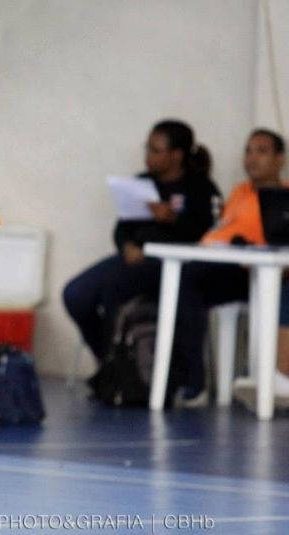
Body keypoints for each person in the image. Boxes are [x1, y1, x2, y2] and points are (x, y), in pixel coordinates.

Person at [63, 120, 220, 363]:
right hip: (132, 257)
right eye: (147, 148)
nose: (148, 156)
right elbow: (122, 228)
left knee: (114, 292)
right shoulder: (141, 183)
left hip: (172, 266)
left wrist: (172, 219)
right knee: (76, 295)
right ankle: (109, 362)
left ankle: (128, 371)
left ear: (176, 155)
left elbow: (208, 235)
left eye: (155, 150)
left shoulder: (200, 187)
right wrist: (127, 246)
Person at [173, 129, 286, 407]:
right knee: (184, 281)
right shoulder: (238, 192)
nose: (252, 158)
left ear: (279, 159)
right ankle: (192, 381)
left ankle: (272, 374)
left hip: (263, 271)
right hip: (224, 265)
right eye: (248, 151)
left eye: (261, 151)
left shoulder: (285, 198)